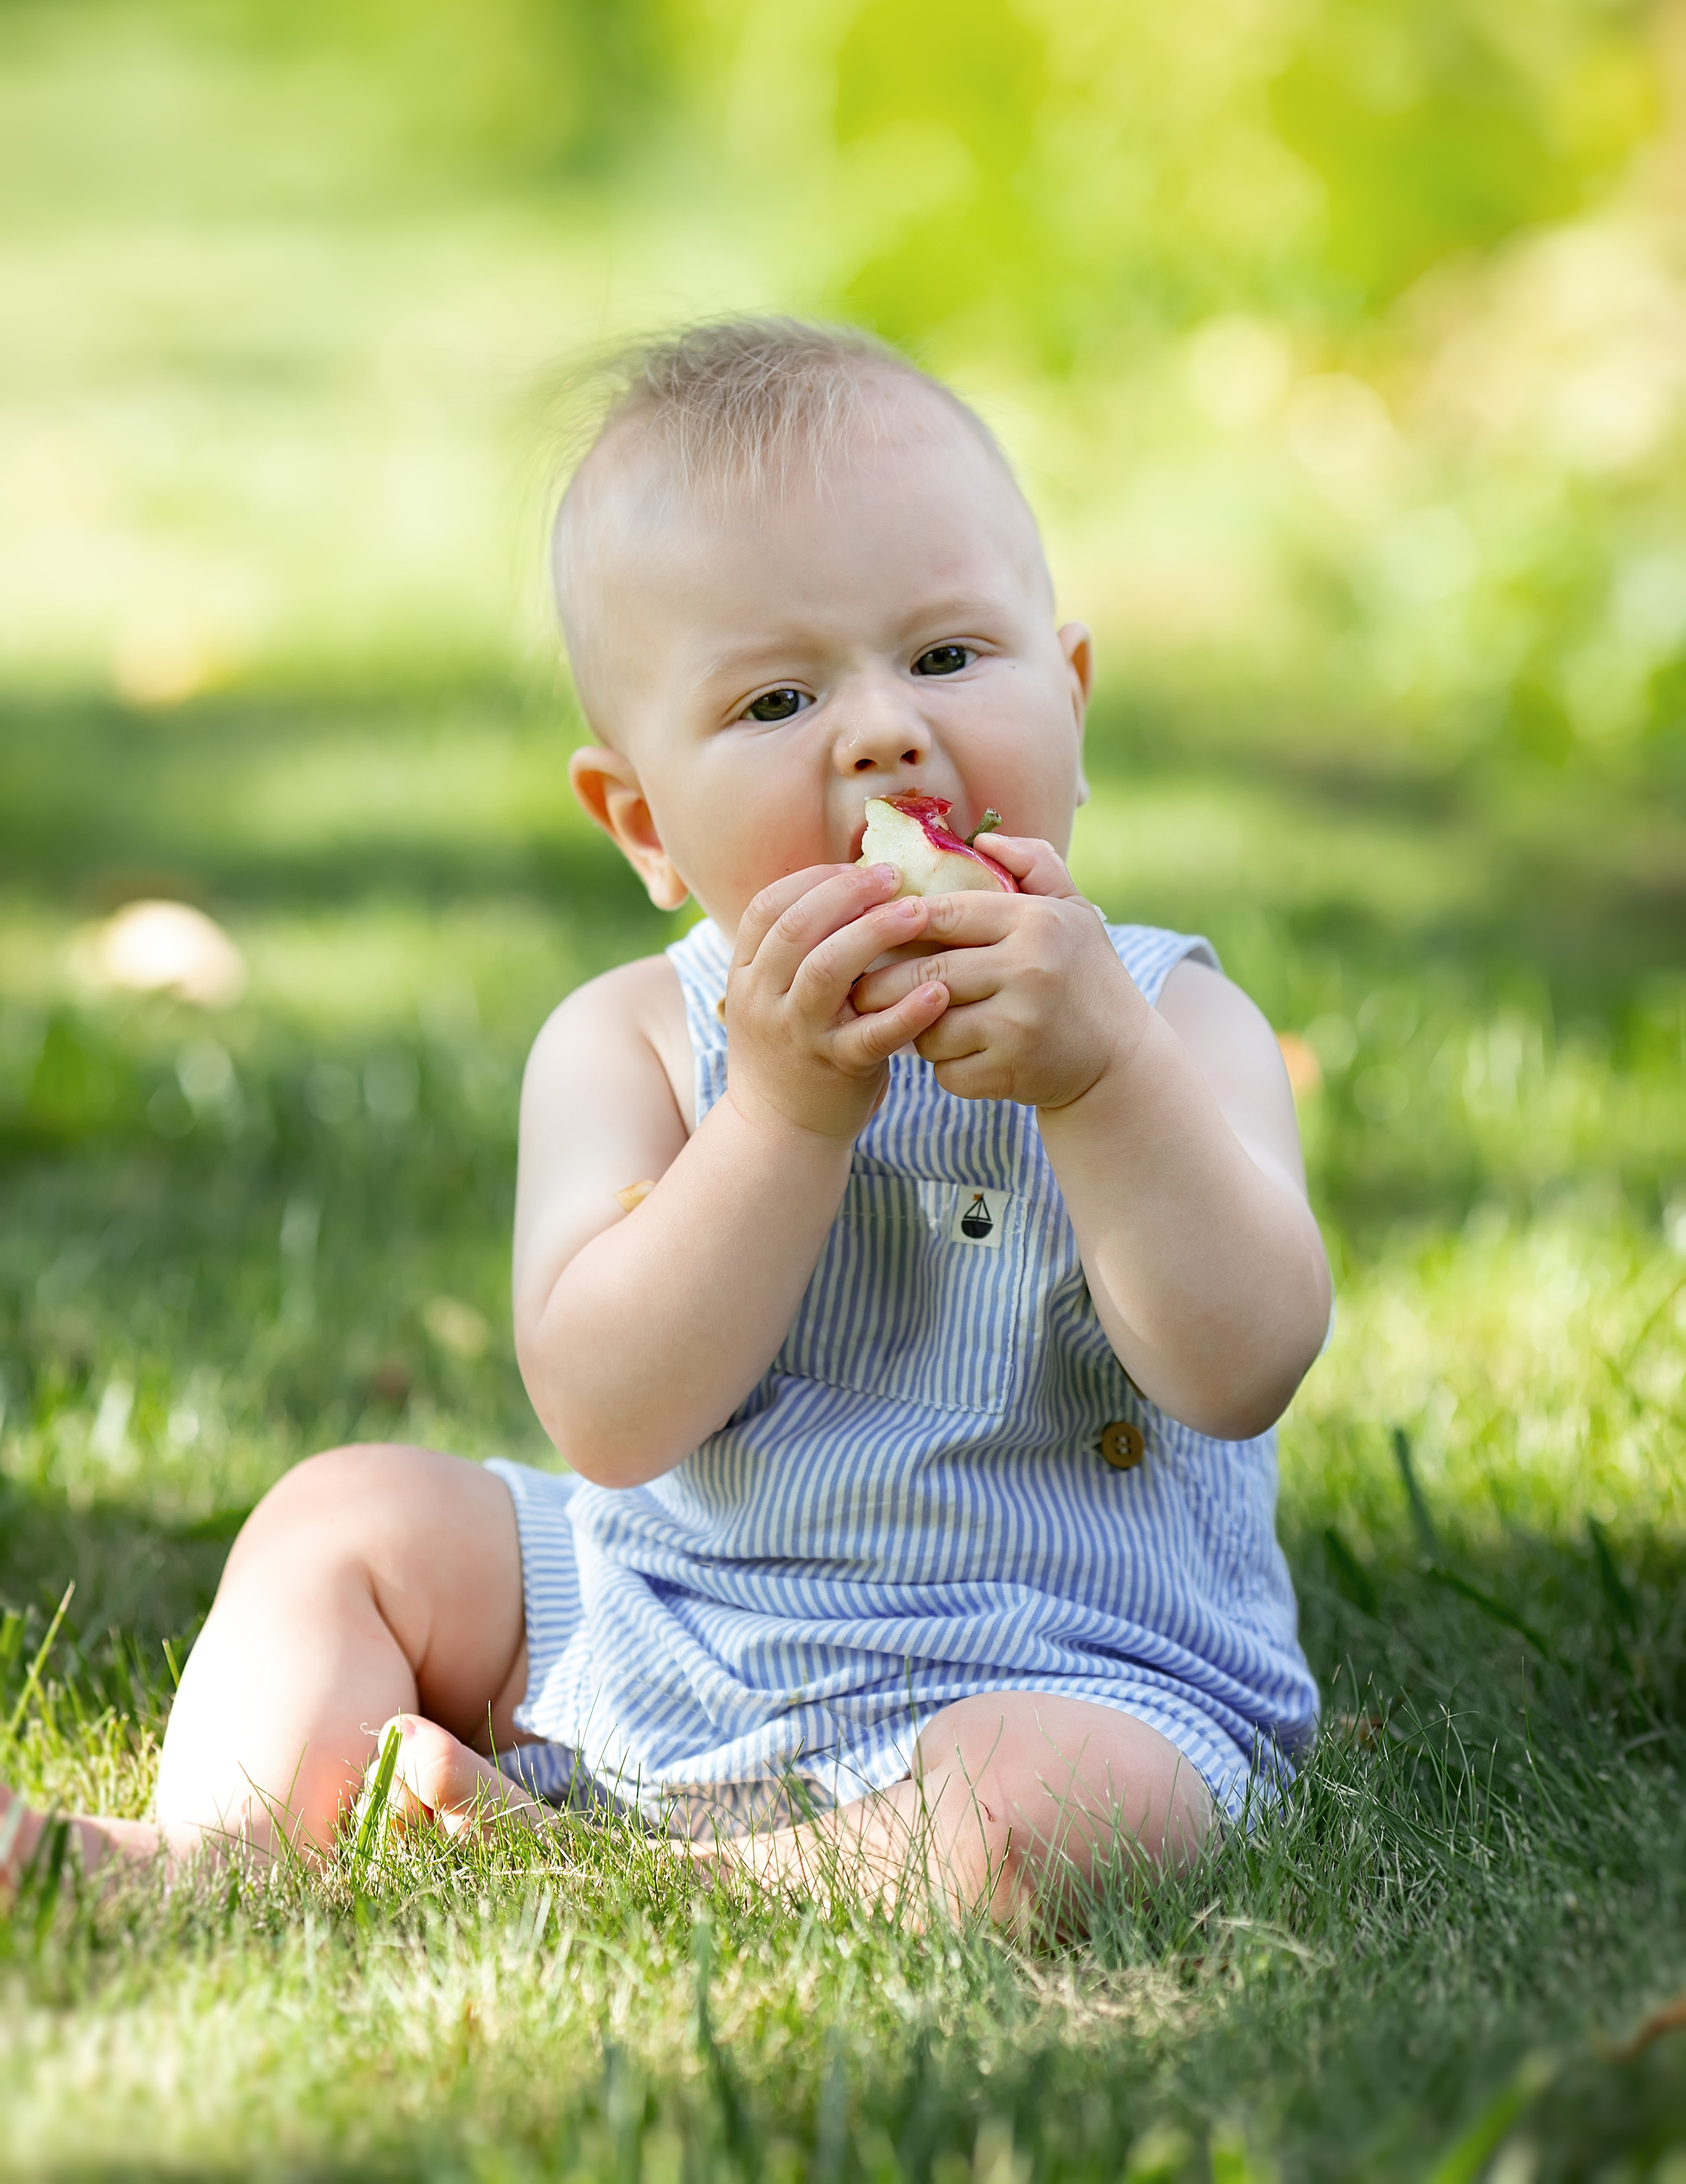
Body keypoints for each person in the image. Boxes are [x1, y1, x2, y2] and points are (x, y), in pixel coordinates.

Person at [0, 319, 1328, 1930]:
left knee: (1067, 1805)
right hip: (669, 1613)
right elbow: (609, 1418)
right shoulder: (627, 1041)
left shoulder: (1168, 1022)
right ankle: (208, 1855)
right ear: (641, 825)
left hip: (1058, 1664)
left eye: (945, 658)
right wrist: (775, 1116)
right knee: (346, 1516)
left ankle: (665, 1890)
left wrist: (1099, 1085)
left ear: (1071, 693)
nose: (881, 735)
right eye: (777, 698)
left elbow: (1241, 1360)